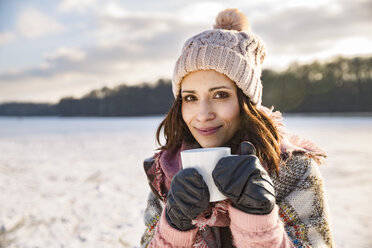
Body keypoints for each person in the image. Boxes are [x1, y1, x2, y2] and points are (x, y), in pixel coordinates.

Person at [140, 8, 333, 248]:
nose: (203, 114)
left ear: (246, 102)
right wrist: (174, 228)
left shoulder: (294, 170)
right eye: (190, 98)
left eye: (220, 95)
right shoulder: (166, 176)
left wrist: (257, 219)